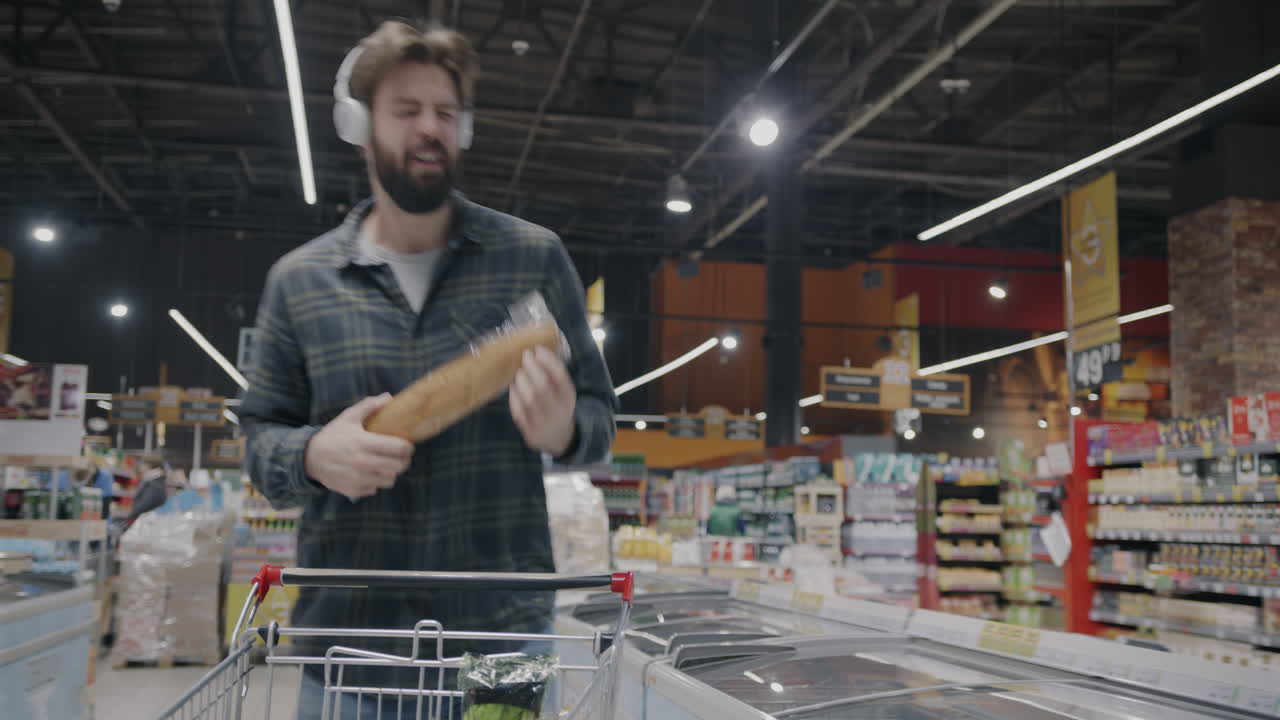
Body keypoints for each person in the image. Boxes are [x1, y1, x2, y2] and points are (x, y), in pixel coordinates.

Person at [238, 20, 617, 719]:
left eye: (445, 112)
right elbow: (260, 441)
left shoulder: (532, 259)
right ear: (361, 126)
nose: (429, 129)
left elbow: (600, 421)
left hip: (499, 644)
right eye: (406, 111)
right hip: (354, 647)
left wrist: (565, 429)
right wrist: (314, 453)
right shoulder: (300, 282)